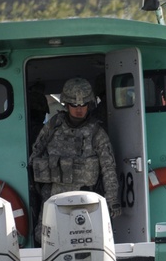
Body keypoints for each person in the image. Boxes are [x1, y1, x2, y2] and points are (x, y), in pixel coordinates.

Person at [29, 77, 121, 242]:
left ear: (89, 104)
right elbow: (35, 156)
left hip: (86, 199)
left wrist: (112, 200)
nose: (79, 110)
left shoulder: (96, 133)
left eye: (83, 105)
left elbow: (108, 168)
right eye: (74, 106)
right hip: (53, 196)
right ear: (66, 104)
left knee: (85, 239)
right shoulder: (52, 127)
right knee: (46, 239)